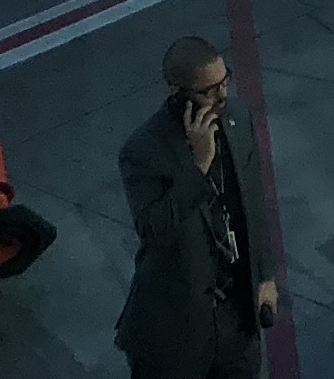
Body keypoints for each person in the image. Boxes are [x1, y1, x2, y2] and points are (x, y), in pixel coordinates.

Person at [116, 33, 276, 378]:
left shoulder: (237, 118)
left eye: (224, 81)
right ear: (177, 92)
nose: (222, 95)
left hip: (236, 319)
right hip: (175, 333)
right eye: (208, 90)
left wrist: (264, 274)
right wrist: (198, 167)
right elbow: (155, 231)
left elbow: (253, 200)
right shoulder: (143, 151)